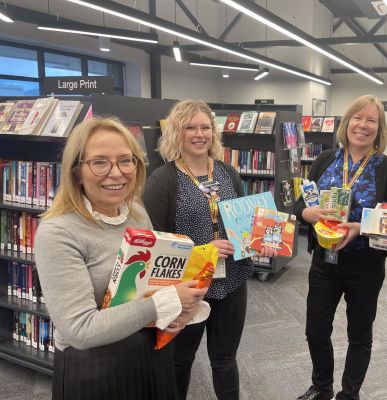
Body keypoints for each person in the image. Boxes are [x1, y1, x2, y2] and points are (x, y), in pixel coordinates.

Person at [34, 117, 208, 400]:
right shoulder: (58, 232)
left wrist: (174, 314)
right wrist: (165, 302)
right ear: (76, 171)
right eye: (100, 162)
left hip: (150, 352)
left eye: (126, 161)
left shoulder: (136, 212)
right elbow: (80, 330)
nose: (116, 173)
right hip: (97, 370)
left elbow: (149, 286)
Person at [294, 95, 387, 400]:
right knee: (315, 331)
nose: (363, 125)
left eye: (371, 120)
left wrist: (360, 228)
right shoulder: (324, 160)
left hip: (366, 266)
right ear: (347, 123)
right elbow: (300, 205)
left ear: (379, 128)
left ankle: (349, 394)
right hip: (324, 261)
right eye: (357, 118)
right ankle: (322, 388)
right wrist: (308, 213)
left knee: (359, 335)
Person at [142, 100, 256, 400]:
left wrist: (257, 236)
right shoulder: (162, 180)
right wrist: (203, 252)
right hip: (187, 284)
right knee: (180, 360)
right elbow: (155, 246)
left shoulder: (227, 171)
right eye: (190, 127)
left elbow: (239, 220)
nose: (199, 134)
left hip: (231, 281)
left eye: (205, 127)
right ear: (176, 133)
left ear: (213, 132)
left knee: (225, 359)